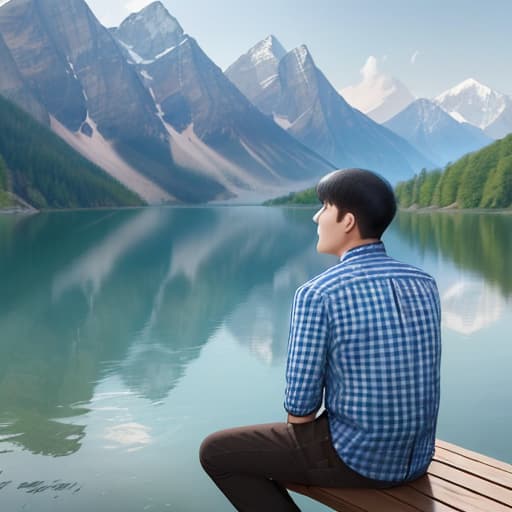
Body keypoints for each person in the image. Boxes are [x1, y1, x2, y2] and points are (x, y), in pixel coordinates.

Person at [199, 168, 441, 511]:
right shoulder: (424, 282)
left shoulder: (319, 293)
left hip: (363, 461)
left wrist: (299, 445)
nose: (316, 216)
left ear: (347, 221)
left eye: (325, 206)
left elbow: (301, 408)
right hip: (417, 457)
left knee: (216, 453)